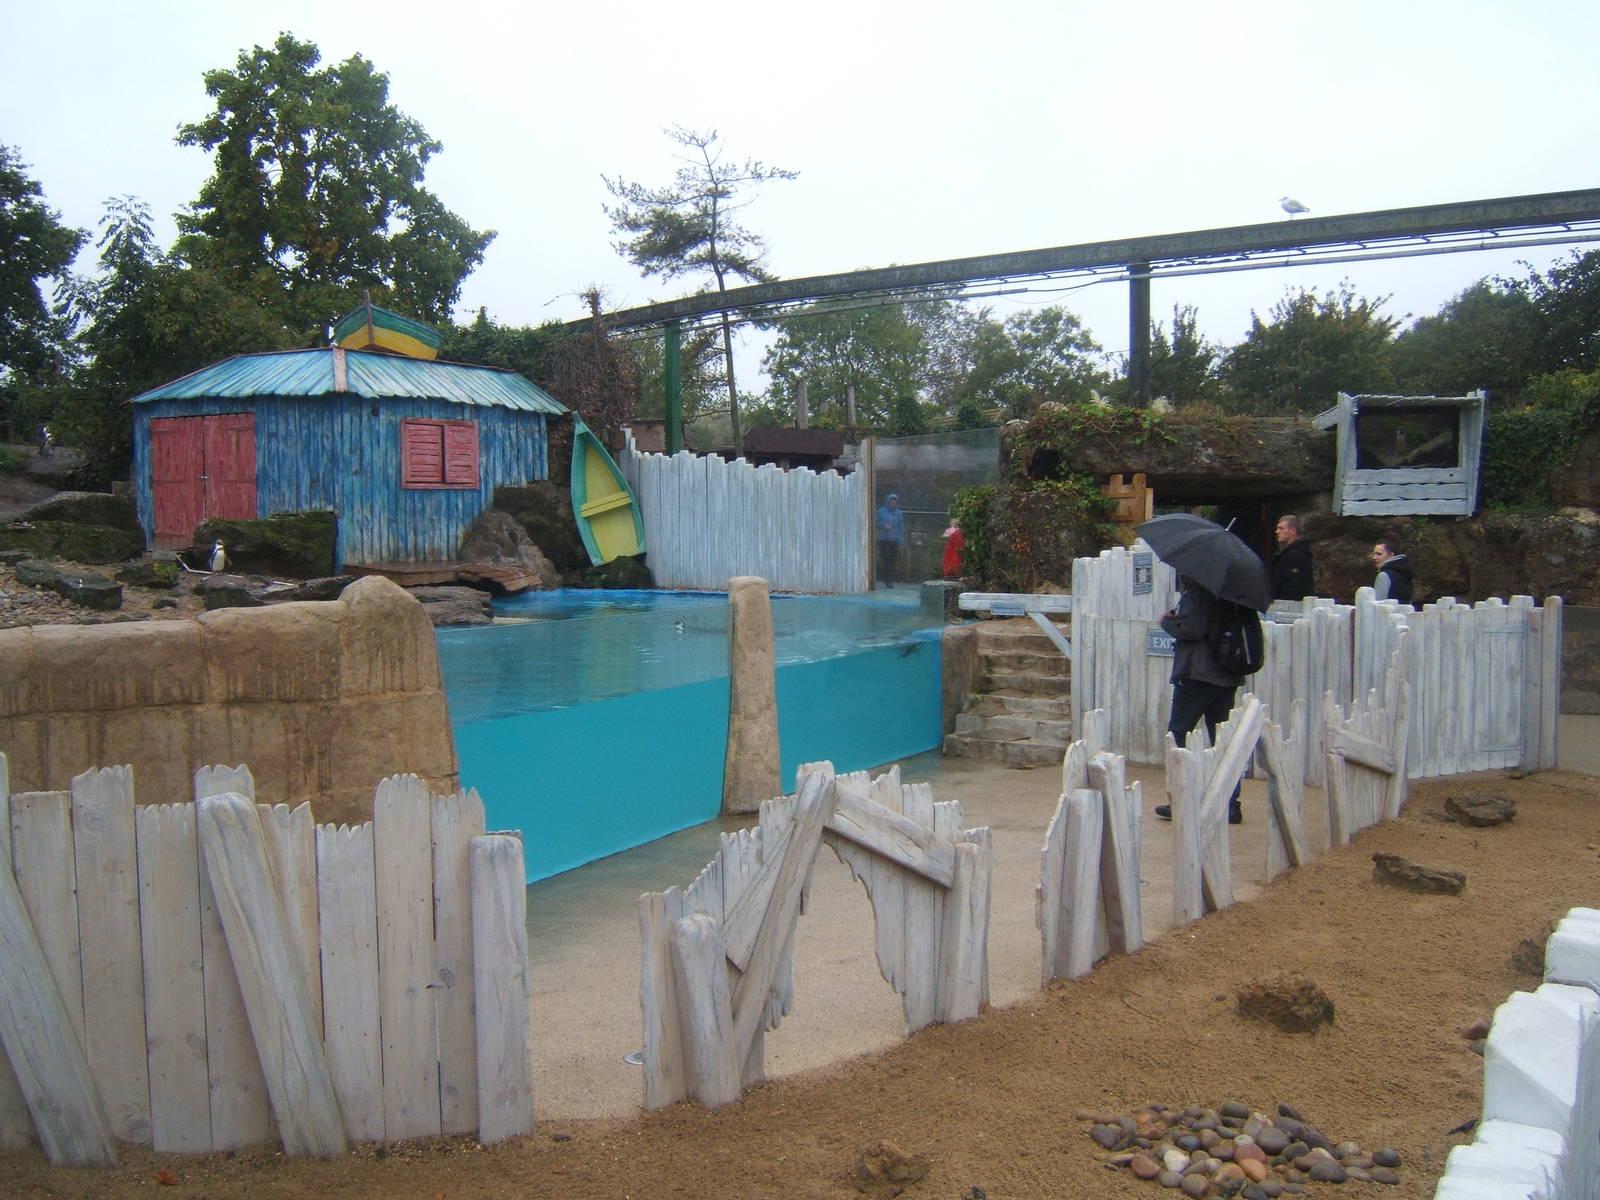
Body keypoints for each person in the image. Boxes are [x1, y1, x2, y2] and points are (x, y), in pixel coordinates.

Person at [1153, 575, 1246, 825]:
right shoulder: (1233, 591)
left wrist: (1168, 621)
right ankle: (1230, 804)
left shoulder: (1198, 591)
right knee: (1223, 740)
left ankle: (1180, 799)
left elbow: (1193, 628)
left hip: (1198, 674)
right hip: (1226, 674)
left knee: (1178, 734)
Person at [1270, 513, 1314, 601]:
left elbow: (1295, 586)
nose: (1277, 531)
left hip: (1289, 607)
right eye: (1277, 528)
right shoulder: (1292, 553)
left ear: (1293, 531)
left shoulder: (1294, 555)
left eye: (1281, 528)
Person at [1370, 536, 1414, 603]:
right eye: (1374, 554)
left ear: (1391, 555)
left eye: (1379, 554)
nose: (1374, 558)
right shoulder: (1405, 574)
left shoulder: (1384, 575)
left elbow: (1378, 603)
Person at [875, 492, 905, 586]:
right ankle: (885, 578)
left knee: (892, 560)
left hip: (894, 540)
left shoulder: (898, 513)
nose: (893, 502)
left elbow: (901, 527)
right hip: (883, 539)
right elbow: (876, 523)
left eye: (894, 501)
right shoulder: (881, 511)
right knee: (885, 559)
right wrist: (884, 526)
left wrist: (901, 541)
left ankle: (890, 580)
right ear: (888, 501)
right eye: (891, 500)